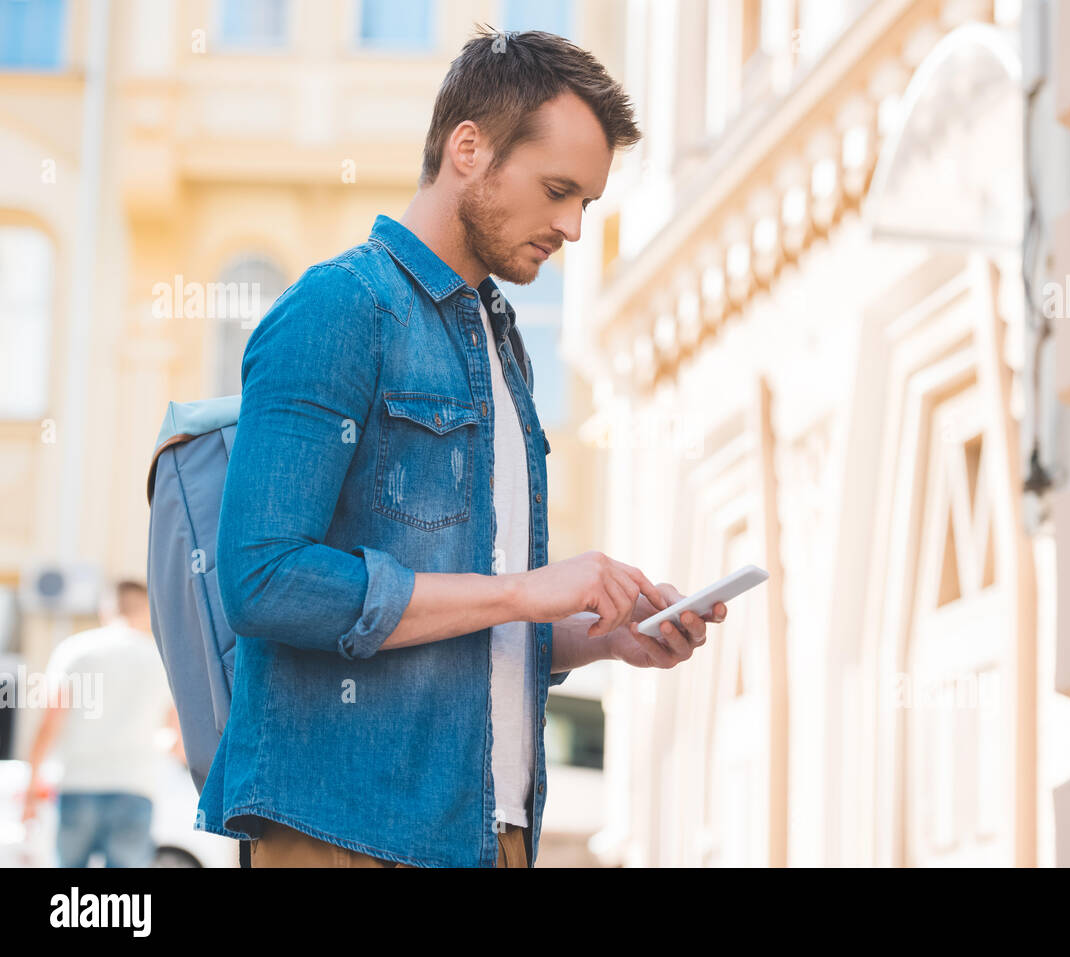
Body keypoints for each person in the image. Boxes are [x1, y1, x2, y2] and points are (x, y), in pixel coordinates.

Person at [198, 26, 727, 869]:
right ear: (468, 148)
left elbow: (466, 615)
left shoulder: (502, 347)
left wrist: (597, 636)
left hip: (491, 830)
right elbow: (263, 579)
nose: (573, 227)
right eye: (558, 190)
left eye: (586, 202)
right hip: (348, 828)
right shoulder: (339, 307)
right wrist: (525, 592)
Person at [22, 581, 180, 867]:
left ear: (106, 608)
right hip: (135, 785)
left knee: (69, 898)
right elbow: (176, 735)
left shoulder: (74, 651)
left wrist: (32, 787)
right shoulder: (161, 659)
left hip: (77, 784)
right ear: (147, 610)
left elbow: (49, 723)